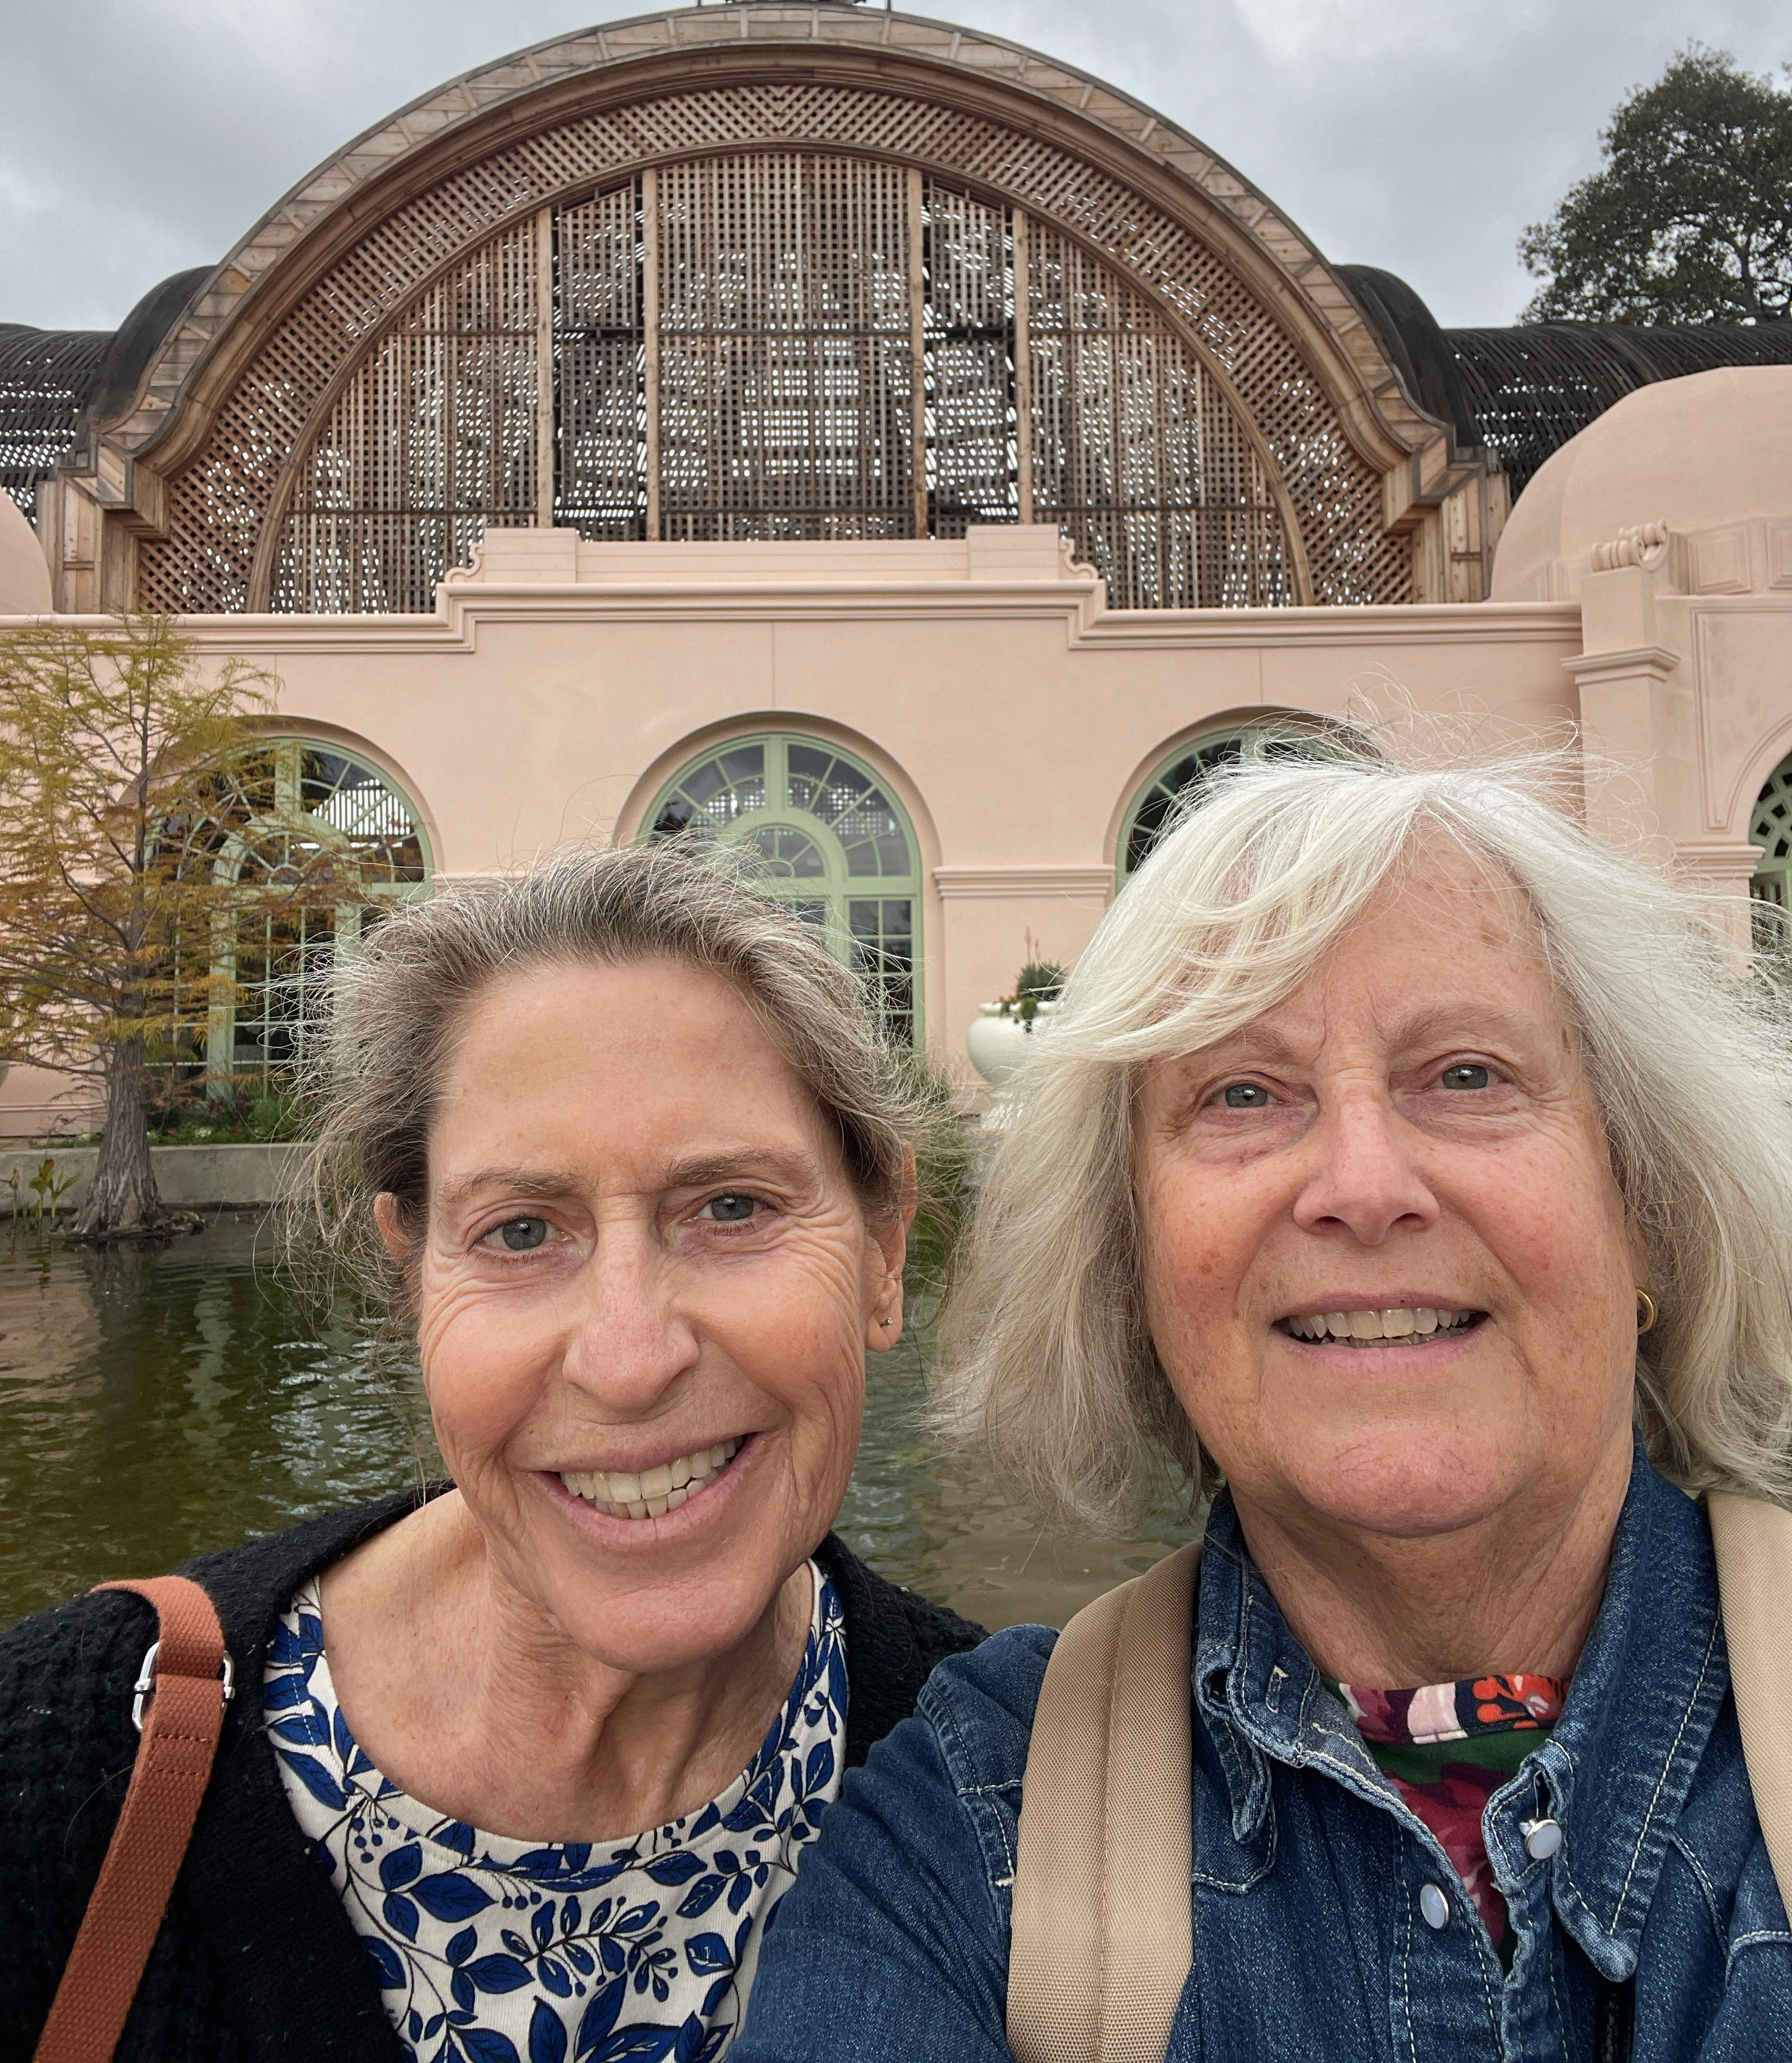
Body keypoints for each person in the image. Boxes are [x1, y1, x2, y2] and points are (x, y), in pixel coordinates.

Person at [737, 749, 1792, 2061]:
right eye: (1243, 1094)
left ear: (1647, 1212)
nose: (1362, 1181)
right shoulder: (974, 1821)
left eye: (1465, 1075)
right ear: (1133, 1275)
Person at [0, 846, 981, 2062]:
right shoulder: (61, 1762)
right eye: (520, 1231)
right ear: (412, 1274)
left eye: (731, 1207)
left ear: (885, 1252)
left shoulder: (1016, 1776)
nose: (628, 1360)